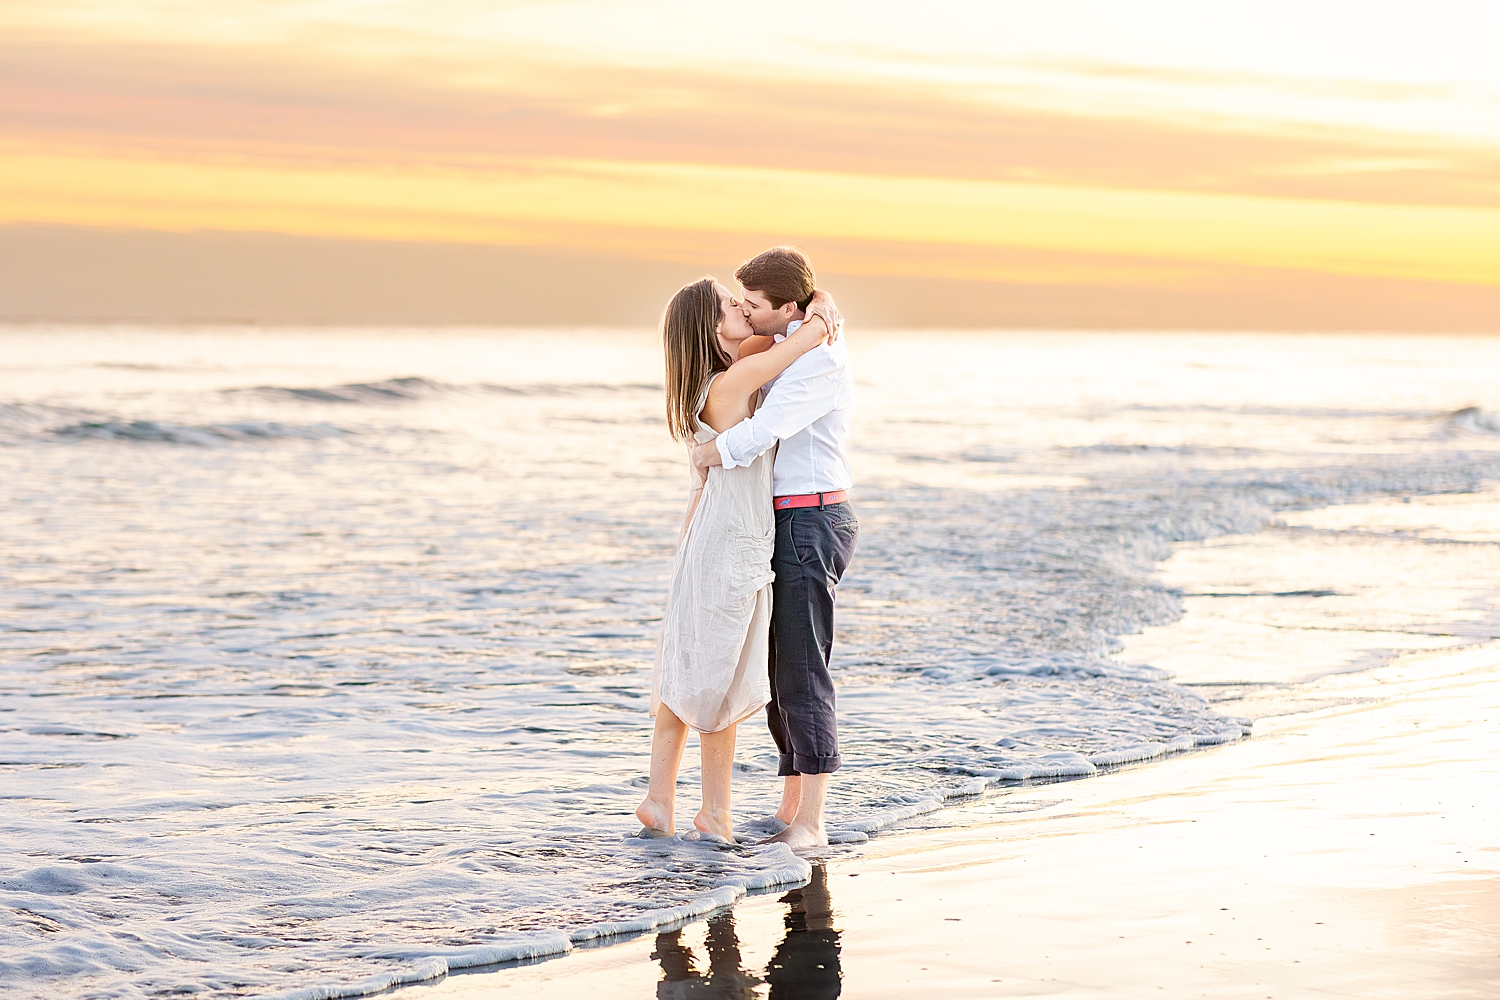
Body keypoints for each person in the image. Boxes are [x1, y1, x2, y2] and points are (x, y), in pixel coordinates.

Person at [636, 275, 842, 842]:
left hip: (710, 535)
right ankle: (715, 814)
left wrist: (811, 305)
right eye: (732, 305)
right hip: (732, 543)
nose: (743, 310)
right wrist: (821, 315)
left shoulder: (707, 381)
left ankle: (660, 800)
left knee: (684, 670)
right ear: (711, 327)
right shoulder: (731, 385)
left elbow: (768, 344)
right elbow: (799, 345)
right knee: (718, 679)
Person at [690, 247, 857, 851]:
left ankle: (813, 818)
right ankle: (791, 809)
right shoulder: (799, 338)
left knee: (803, 672)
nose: (747, 312)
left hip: (812, 520)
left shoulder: (819, 361)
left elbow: (768, 428)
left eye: (756, 305)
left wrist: (713, 452)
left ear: (787, 305)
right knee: (779, 671)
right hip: (787, 522)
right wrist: (819, 310)